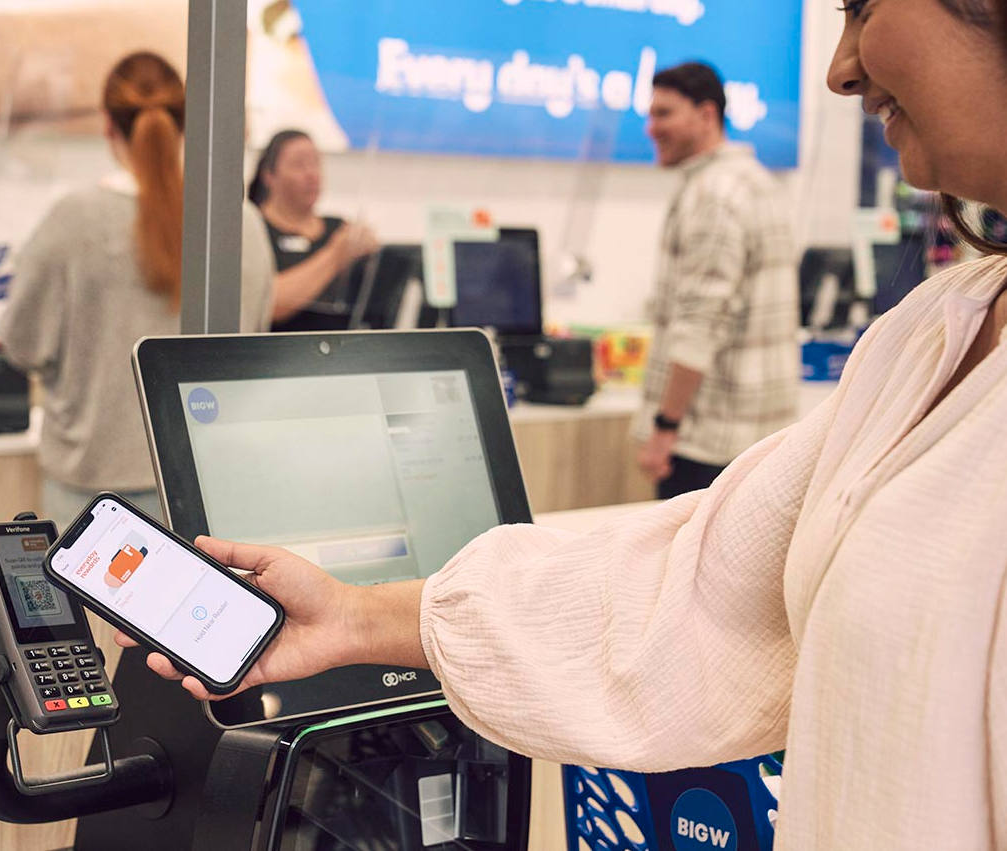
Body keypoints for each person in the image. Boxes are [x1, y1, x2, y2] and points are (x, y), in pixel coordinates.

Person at [122, 0, 1007, 845]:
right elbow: (696, 589)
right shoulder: (935, 330)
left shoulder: (740, 210)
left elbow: (697, 331)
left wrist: (662, 421)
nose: (838, 69)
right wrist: (358, 616)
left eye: (866, 8)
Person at [0, 51, 275, 528]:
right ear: (185, 122)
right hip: (216, 486)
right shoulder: (241, 221)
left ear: (108, 125)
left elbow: (21, 343)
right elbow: (254, 338)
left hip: (96, 493)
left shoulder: (73, 220)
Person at [633, 62, 801, 499]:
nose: (652, 128)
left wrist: (665, 429)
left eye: (664, 113)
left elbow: (700, 323)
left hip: (707, 444)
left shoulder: (713, 195)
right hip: (759, 437)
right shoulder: (759, 183)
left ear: (707, 114)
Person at [248, 129, 378, 331]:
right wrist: (335, 255)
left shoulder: (339, 228)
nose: (311, 174)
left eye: (315, 163)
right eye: (299, 164)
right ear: (269, 175)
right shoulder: (254, 230)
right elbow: (268, 303)